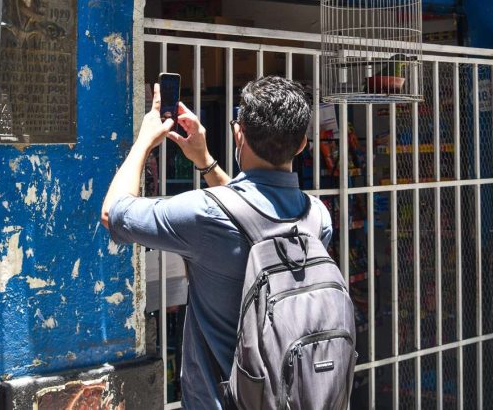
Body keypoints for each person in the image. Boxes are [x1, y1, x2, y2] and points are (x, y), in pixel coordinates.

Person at [100, 76, 332, 410]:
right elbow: (249, 216)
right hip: (294, 396)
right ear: (302, 144)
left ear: (239, 134)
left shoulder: (203, 214)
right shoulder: (317, 218)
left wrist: (144, 141)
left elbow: (113, 213)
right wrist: (205, 160)